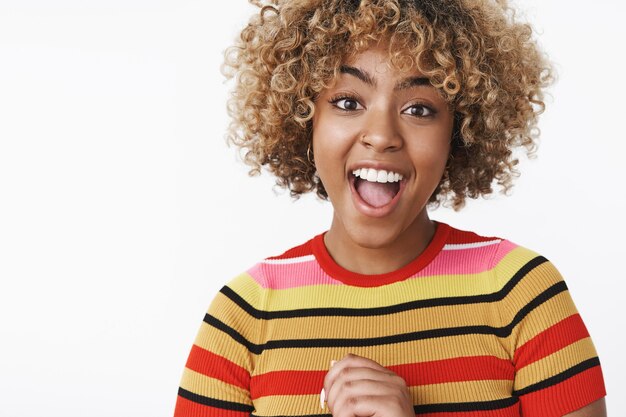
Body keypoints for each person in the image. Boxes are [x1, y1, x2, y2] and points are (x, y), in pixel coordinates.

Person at [173, 0, 607, 416]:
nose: (381, 135)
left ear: (458, 133)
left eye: (419, 108)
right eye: (348, 102)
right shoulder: (243, 316)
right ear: (305, 118)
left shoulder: (522, 295)